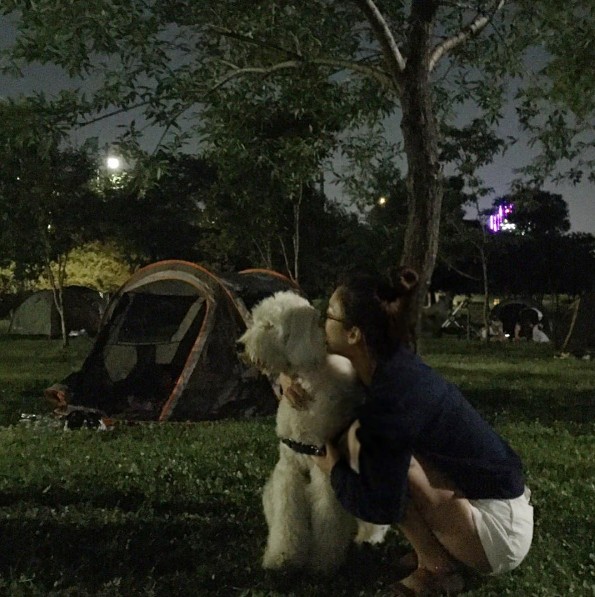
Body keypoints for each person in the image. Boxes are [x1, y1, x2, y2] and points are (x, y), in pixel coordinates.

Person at [287, 269, 533, 596]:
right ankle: (440, 550)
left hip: (499, 534)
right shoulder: (388, 366)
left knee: (385, 459)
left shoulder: (393, 396)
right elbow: (312, 369)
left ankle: (437, 568)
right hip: (489, 504)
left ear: (354, 334)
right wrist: (287, 378)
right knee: (364, 445)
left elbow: (382, 505)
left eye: (328, 316)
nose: (322, 324)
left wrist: (335, 469)